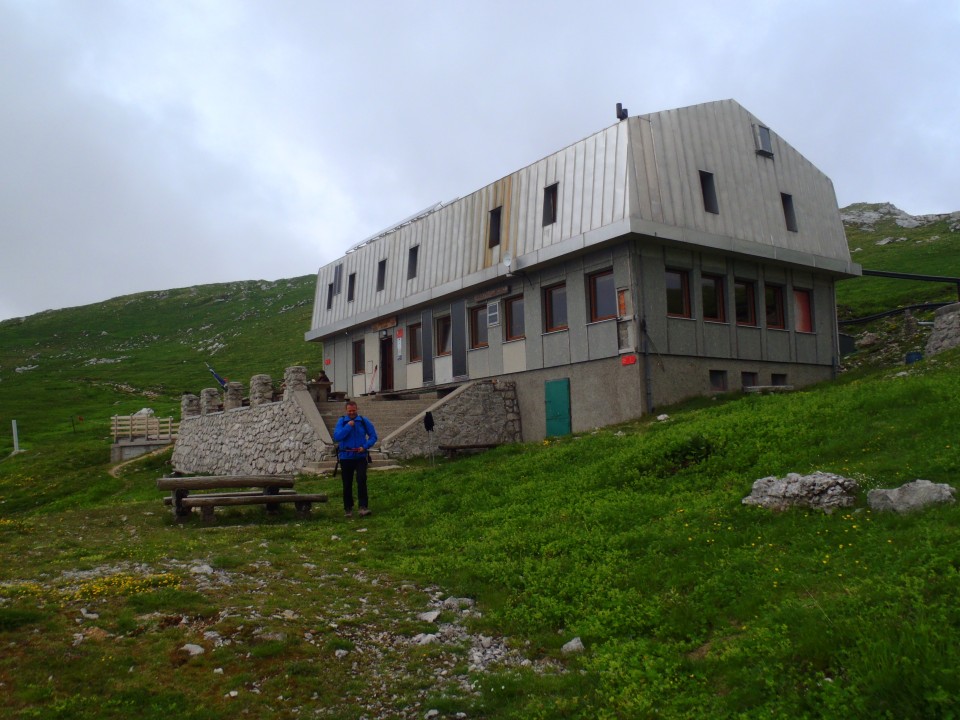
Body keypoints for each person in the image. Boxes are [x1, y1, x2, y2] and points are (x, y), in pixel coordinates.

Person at [332, 400, 378, 518]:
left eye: (353, 410)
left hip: (360, 457)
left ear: (357, 409)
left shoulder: (363, 420)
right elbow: (337, 437)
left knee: (361, 479)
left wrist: (365, 446)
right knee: (347, 483)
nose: (352, 413)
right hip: (346, 457)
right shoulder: (342, 421)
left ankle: (363, 507)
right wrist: (348, 426)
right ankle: (348, 508)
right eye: (349, 411)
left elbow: (373, 436)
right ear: (346, 411)